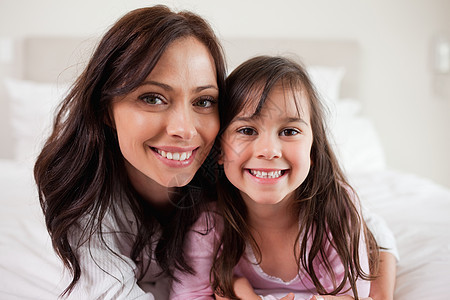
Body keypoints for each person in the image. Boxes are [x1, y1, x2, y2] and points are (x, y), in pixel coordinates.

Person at [34, 5, 226, 299]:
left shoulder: (240, 179)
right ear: (105, 110)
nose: (185, 130)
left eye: (203, 101)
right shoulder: (82, 197)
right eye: (152, 98)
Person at [170, 55, 388, 300]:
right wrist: (238, 288)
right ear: (220, 150)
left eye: (289, 131)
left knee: (382, 241)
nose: (269, 150)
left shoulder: (337, 210)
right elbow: (188, 296)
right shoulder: (208, 225)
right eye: (247, 130)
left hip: (373, 234)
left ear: (313, 149)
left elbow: (351, 294)